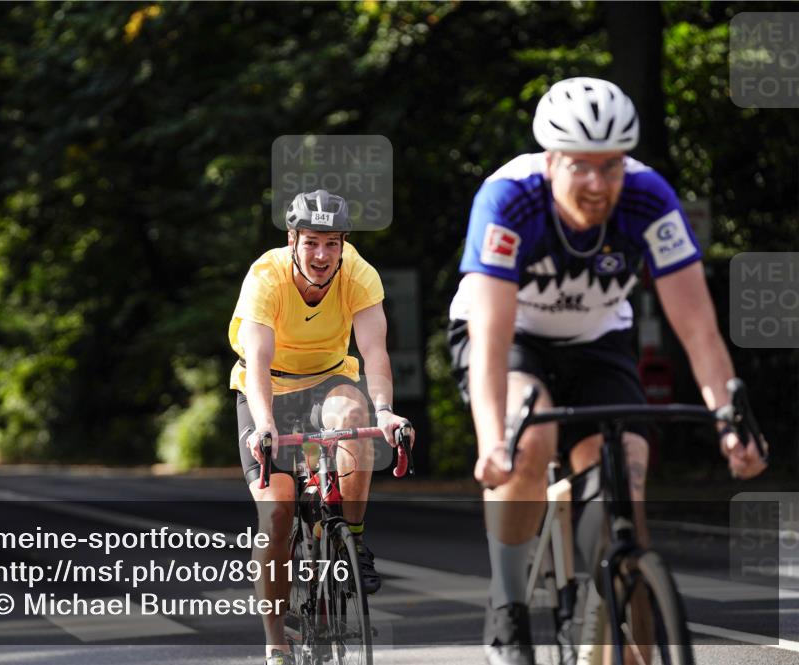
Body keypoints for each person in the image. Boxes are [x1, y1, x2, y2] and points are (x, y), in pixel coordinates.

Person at [447, 77, 767, 665]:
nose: (598, 185)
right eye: (581, 167)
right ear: (550, 160)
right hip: (511, 336)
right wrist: (493, 442)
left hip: (598, 340)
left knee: (627, 472)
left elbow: (698, 329)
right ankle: (508, 606)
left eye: (612, 166)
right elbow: (491, 338)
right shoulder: (509, 198)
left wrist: (729, 420)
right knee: (532, 436)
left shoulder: (650, 198)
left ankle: (610, 606)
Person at [229, 189, 414, 665]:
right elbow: (258, 360)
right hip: (266, 387)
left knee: (354, 420)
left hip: (330, 381)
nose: (322, 255)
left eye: (332, 243)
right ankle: (275, 641)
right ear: (292, 239)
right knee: (276, 514)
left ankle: (352, 536)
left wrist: (386, 410)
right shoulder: (265, 277)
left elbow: (374, 352)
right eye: (312, 242)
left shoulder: (358, 274)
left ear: (343, 243)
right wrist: (265, 427)